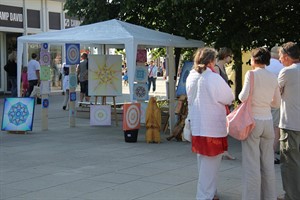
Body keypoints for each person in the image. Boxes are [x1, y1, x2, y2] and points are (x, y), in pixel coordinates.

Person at [186, 47, 234, 200]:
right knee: (211, 165)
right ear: (212, 61)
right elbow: (229, 97)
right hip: (212, 126)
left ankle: (209, 192)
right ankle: (205, 195)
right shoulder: (213, 78)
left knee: (203, 163)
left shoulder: (191, 76)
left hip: (198, 125)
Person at [239, 47, 281, 200]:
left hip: (253, 121)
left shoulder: (251, 74)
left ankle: (251, 197)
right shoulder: (272, 76)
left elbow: (243, 97)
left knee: (252, 163)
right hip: (268, 121)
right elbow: (276, 103)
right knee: (268, 162)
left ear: (254, 60)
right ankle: (269, 196)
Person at [277, 42, 300, 200]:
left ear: (286, 57)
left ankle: (291, 196)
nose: (279, 60)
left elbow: (276, 95)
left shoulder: (287, 71)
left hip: (290, 123)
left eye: (279, 56)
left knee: (290, 164)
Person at [215, 47, 236, 160]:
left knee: (224, 125)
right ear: (225, 56)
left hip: (224, 101)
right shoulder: (217, 67)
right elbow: (218, 86)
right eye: (230, 56)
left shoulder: (222, 67)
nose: (230, 58)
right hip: (221, 102)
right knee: (222, 126)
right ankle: (221, 150)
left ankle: (224, 150)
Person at [266, 46, 284, 164]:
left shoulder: (264, 65)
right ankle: (271, 154)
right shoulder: (282, 67)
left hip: (261, 101)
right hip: (276, 100)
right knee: (275, 127)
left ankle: (264, 153)